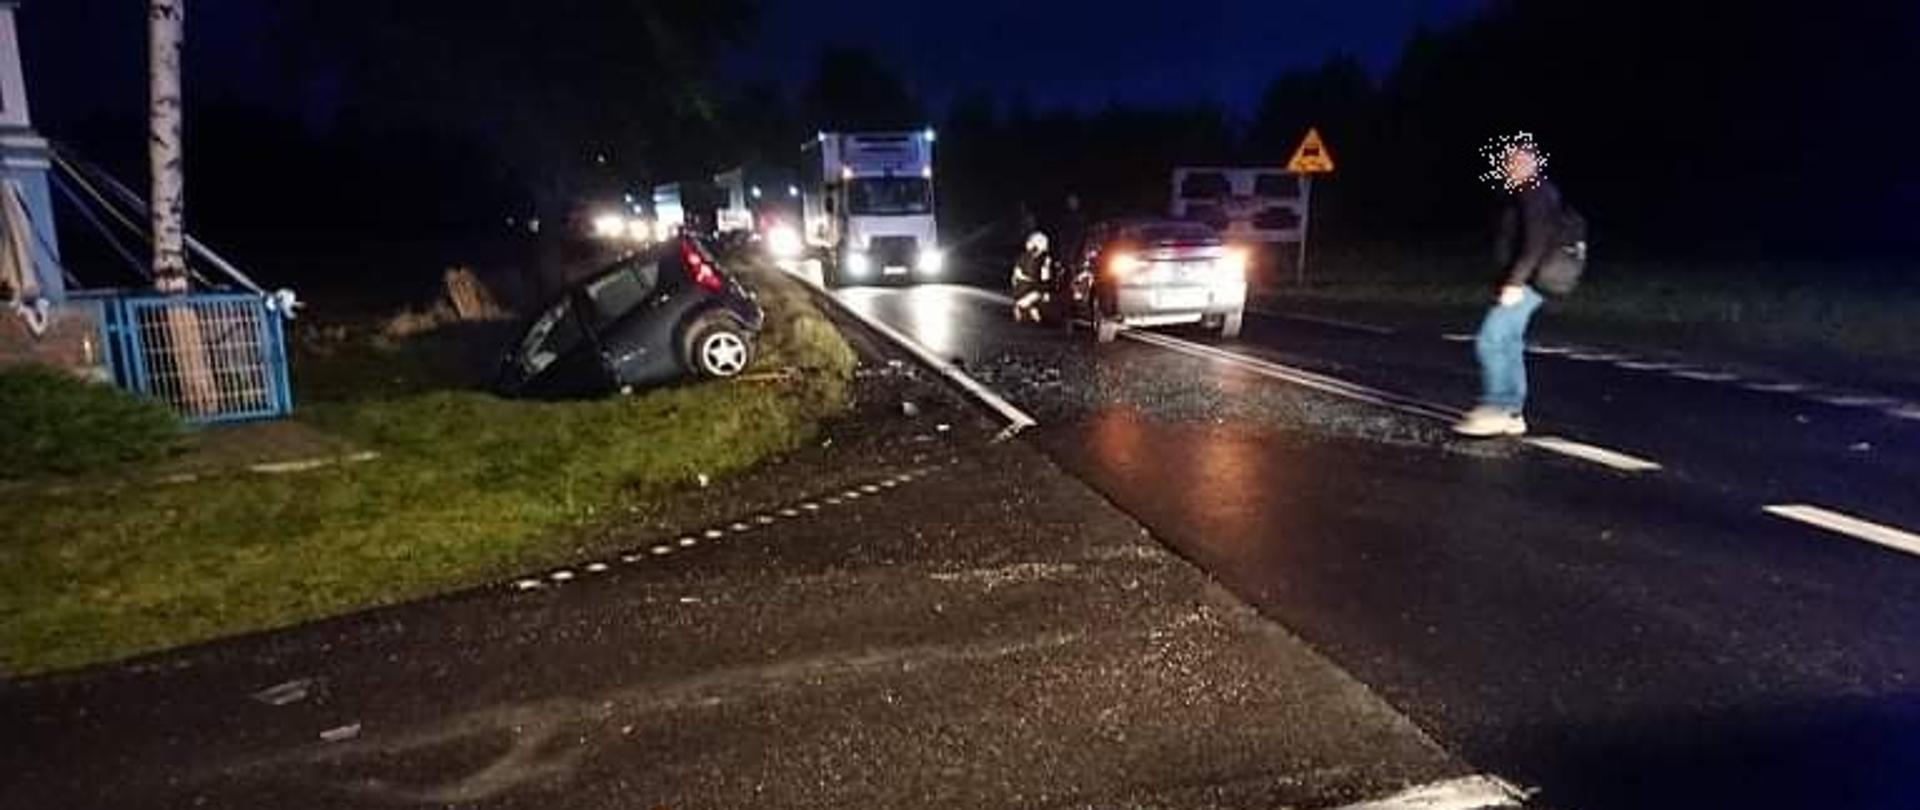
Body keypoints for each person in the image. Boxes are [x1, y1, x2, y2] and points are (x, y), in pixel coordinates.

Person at [1454, 134, 1563, 438]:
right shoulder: (1529, 192)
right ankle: (1512, 411)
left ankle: (1497, 407)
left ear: (1531, 161)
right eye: (1509, 160)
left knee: (1490, 339)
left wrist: (1515, 282)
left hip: (1527, 282)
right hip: (1527, 281)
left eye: (1518, 159)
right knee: (1510, 343)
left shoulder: (1535, 191)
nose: (1511, 165)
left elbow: (1536, 242)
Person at [1011, 231, 1054, 322]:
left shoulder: (1044, 259)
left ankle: (1029, 308)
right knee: (1025, 302)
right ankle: (1027, 307)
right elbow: (1017, 272)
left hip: (1035, 288)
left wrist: (1046, 291)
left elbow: (1045, 276)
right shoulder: (1024, 257)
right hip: (1024, 288)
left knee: (1028, 302)